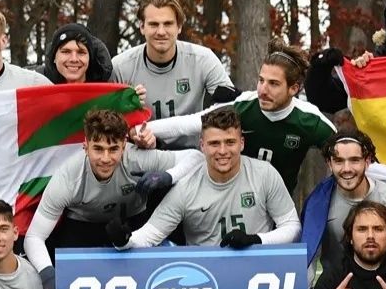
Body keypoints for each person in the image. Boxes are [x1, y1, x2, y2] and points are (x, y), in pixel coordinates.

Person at [23, 110, 200, 289]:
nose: (106, 159)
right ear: (86, 146)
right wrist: (48, 274)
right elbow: (34, 237)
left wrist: (168, 176)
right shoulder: (67, 178)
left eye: (113, 149)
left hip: (133, 223)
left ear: (124, 146)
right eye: (98, 149)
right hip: (83, 229)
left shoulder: (135, 158)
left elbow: (195, 157)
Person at [141, 40, 335, 193]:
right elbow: (188, 124)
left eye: (274, 84)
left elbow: (345, 152)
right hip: (232, 194)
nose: (263, 90)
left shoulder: (310, 120)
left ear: (294, 88)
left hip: (277, 203)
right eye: (261, 80)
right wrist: (135, 130)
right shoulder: (243, 105)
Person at [108, 107, 301, 250]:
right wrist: (124, 240)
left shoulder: (265, 174)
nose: (223, 151)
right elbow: (150, 235)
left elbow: (292, 227)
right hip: (205, 277)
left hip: (257, 271)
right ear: (202, 145)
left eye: (230, 142)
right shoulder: (186, 186)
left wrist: (256, 240)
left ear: (242, 143)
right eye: (214, 143)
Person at [111, 0, 237, 119]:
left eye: (168, 24)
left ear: (179, 26)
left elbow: (232, 108)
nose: (161, 32)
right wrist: (124, 111)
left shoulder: (203, 60)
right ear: (142, 27)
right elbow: (103, 120)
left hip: (192, 139)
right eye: (153, 24)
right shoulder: (120, 67)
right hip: (137, 138)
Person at [297, 130, 386, 273]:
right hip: (336, 288)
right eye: (339, 161)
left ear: (367, 161)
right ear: (329, 164)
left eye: (354, 160)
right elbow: (307, 252)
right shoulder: (318, 203)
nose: (347, 169)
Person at [37, 23, 113, 84]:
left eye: (81, 52)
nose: (74, 59)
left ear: (90, 58)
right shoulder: (34, 84)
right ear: (54, 57)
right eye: (66, 52)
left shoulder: (109, 94)